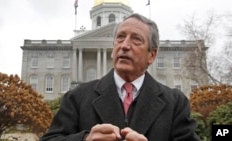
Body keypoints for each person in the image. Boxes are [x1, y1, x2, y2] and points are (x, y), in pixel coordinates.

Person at [40, 13, 200, 141]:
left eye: (136, 39)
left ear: (152, 55)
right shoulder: (77, 97)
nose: (124, 45)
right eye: (120, 37)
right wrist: (84, 139)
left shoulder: (175, 103)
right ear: (113, 48)